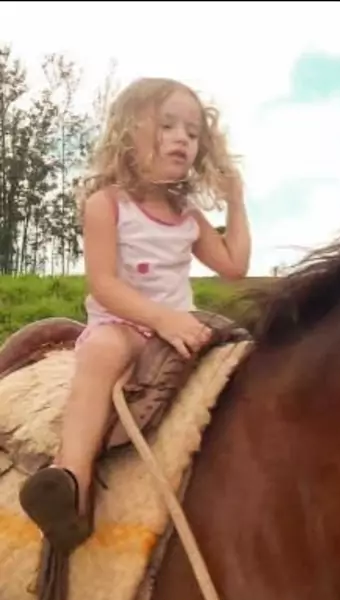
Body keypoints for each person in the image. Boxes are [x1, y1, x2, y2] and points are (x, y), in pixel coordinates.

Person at [19, 76, 251, 553]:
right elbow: (104, 284)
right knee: (102, 350)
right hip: (123, 324)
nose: (183, 138)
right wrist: (161, 319)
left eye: (192, 131)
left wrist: (236, 201)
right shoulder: (106, 205)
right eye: (168, 125)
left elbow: (233, 267)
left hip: (176, 329)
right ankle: (71, 482)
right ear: (129, 134)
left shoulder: (189, 217)